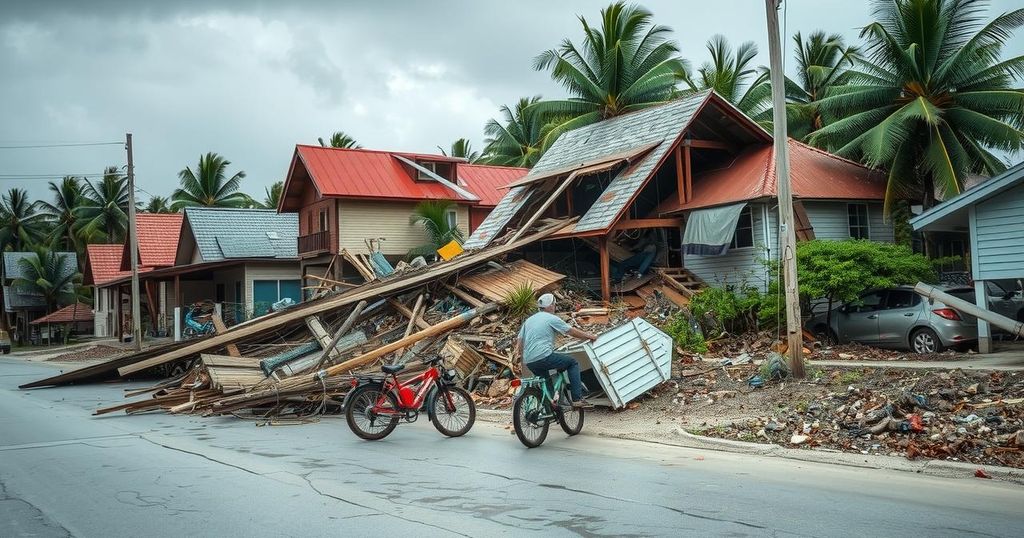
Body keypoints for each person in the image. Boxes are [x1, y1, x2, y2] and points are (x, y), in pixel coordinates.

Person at [516, 293, 598, 408]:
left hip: (529, 361)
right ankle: (577, 398)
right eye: (554, 304)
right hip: (543, 356)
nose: (555, 307)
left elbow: (519, 339)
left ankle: (550, 407)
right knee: (572, 363)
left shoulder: (529, 320)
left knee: (546, 380)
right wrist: (589, 336)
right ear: (550, 306)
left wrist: (521, 354)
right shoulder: (551, 318)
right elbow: (570, 331)